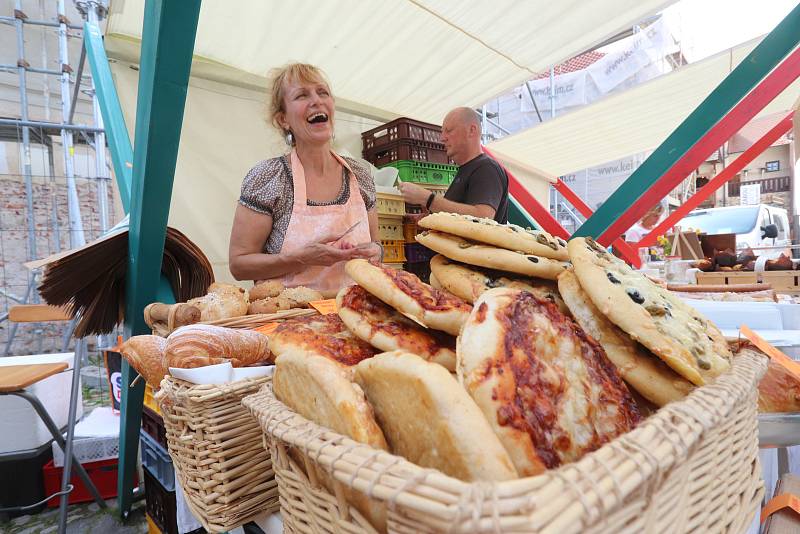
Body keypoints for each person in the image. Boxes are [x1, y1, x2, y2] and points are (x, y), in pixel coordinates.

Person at [229, 63, 381, 297]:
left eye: (323, 93)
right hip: (289, 319)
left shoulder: (360, 176)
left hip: (357, 314)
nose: (316, 101)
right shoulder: (270, 177)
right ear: (283, 120)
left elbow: (377, 247)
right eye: (302, 95)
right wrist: (300, 258)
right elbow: (239, 265)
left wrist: (373, 252)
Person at [398, 107, 509, 223]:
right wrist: (433, 219)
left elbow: (483, 217)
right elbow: (460, 221)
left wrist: (428, 199)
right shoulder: (466, 169)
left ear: (472, 130)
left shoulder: (486, 168)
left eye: (449, 130)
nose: (442, 138)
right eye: (442, 132)